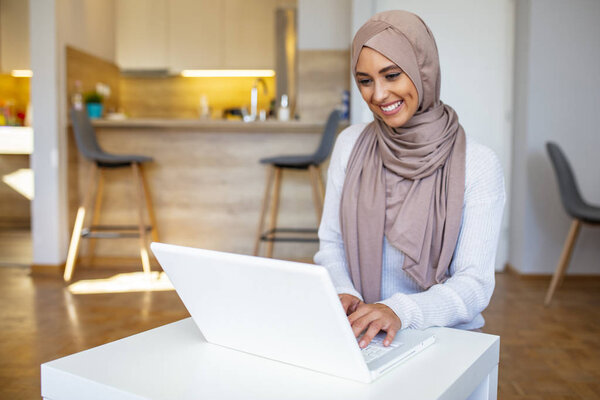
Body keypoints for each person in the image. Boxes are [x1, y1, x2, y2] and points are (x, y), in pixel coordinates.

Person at [314, 10, 505, 349]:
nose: (379, 94)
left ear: (423, 70)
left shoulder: (479, 164)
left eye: (391, 75)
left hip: (444, 339)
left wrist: (399, 310)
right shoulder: (350, 145)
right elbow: (332, 244)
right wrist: (345, 291)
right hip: (364, 337)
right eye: (365, 80)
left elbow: (474, 285)